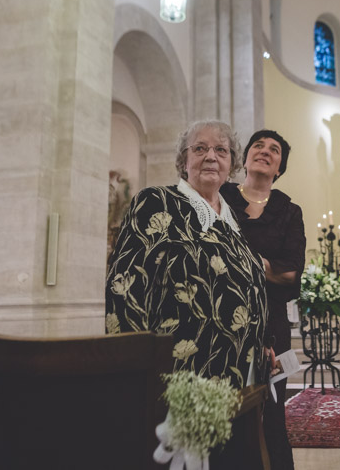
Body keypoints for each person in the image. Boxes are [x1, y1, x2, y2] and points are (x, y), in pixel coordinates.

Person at [105, 120, 268, 390]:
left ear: (232, 164)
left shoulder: (233, 221)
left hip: (242, 373)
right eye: (200, 148)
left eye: (221, 150)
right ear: (184, 161)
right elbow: (124, 291)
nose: (211, 156)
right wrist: (132, 372)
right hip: (180, 376)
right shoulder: (156, 202)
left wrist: (261, 342)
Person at [220, 129, 305, 470]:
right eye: (258, 145)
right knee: (226, 411)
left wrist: (242, 262)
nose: (265, 152)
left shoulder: (288, 210)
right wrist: (266, 266)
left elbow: (292, 273)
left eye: (274, 150)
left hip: (272, 324)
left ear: (279, 168)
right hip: (221, 318)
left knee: (271, 415)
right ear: (245, 157)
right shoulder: (221, 196)